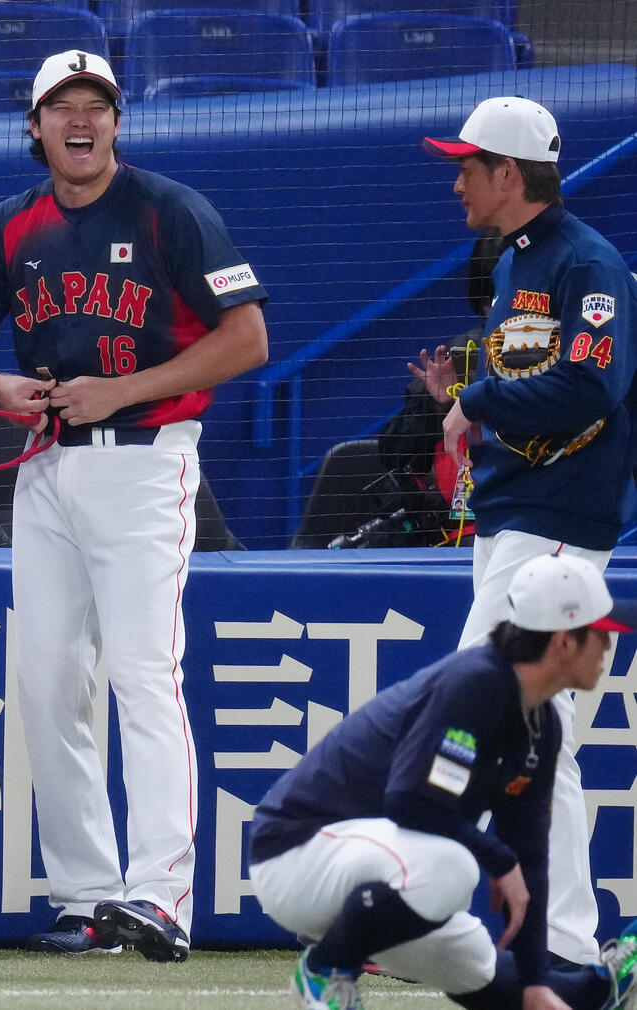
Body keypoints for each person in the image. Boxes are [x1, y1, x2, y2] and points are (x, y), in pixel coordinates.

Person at [0, 49, 269, 960]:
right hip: (45, 468)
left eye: (98, 105)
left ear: (118, 122)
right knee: (45, 681)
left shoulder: (169, 210)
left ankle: (161, 895)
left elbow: (248, 339)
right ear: (33, 127)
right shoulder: (12, 225)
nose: (81, 120)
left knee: (141, 675)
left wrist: (125, 390)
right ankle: (87, 897)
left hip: (146, 462)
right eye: (61, 106)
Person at [425, 96, 637, 967]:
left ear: (511, 173)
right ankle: (573, 955)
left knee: (481, 713)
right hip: (517, 522)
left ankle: (401, 911)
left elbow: (595, 389)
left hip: (556, 529)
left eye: (468, 166)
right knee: (538, 751)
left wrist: (474, 400)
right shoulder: (515, 262)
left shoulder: (587, 263)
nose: (457, 182)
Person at [249, 553, 637, 1010]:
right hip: (298, 852)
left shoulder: (541, 724)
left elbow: (530, 859)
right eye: (600, 634)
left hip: (380, 875)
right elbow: (410, 801)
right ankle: (326, 970)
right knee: (452, 868)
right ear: (563, 642)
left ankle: (599, 987)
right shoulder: (477, 682)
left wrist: (534, 984)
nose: (610, 646)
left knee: (477, 966)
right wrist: (498, 860)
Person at [330, 231, 504, 549]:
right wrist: (434, 407)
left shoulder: (562, 362)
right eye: (490, 305)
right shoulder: (459, 357)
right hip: (450, 542)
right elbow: (393, 451)